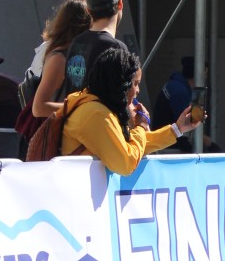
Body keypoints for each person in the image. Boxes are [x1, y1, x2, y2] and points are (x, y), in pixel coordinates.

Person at [60, 43, 196, 173]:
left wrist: (178, 129)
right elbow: (127, 163)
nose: (138, 90)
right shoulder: (96, 114)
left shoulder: (97, 107)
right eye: (135, 83)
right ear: (120, 84)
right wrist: (141, 127)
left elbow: (134, 146)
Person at [27, 0, 92, 121]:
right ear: (82, 27)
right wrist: (80, 107)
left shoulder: (76, 55)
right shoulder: (58, 59)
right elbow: (39, 108)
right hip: (60, 130)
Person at [61, 0, 124, 95]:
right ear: (120, 4)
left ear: (88, 11)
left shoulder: (76, 42)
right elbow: (121, 96)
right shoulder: (116, 47)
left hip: (74, 107)